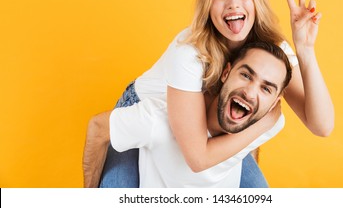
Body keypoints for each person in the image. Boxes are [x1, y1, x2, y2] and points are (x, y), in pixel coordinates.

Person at [86, 0, 334, 188]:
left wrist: (305, 51)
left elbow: (321, 126)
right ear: (208, 4)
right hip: (147, 115)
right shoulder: (189, 52)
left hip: (206, 127)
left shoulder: (273, 53)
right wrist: (263, 123)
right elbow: (198, 157)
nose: (233, 4)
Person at [84, 41, 292, 187]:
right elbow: (97, 127)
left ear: (274, 103)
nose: (250, 92)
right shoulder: (159, 119)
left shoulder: (269, 121)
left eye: (266, 88)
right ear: (226, 73)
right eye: (246, 75)